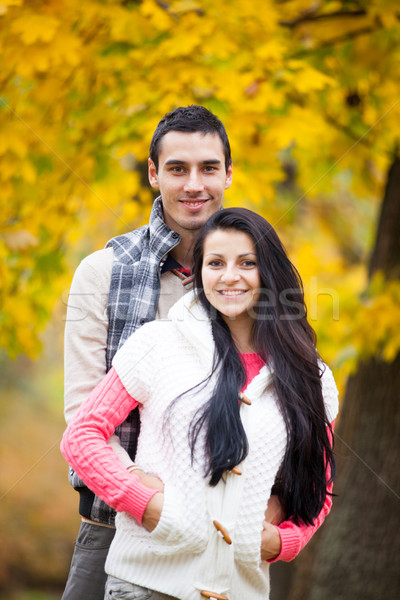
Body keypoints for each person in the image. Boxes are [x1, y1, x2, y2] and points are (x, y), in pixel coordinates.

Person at [61, 208, 339, 600]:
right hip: (145, 586)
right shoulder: (158, 343)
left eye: (247, 263)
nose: (230, 276)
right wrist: (148, 505)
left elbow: (318, 481)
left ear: (270, 272)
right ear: (200, 273)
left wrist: (284, 542)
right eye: (215, 263)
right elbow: (82, 436)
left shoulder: (313, 377)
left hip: (240, 590)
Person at [62, 105, 233, 600]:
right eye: (177, 168)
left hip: (220, 530)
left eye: (208, 168)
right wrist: (145, 499)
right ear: (154, 174)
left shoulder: (256, 276)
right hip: (114, 523)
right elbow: (82, 416)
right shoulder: (103, 272)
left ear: (228, 173)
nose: (193, 184)